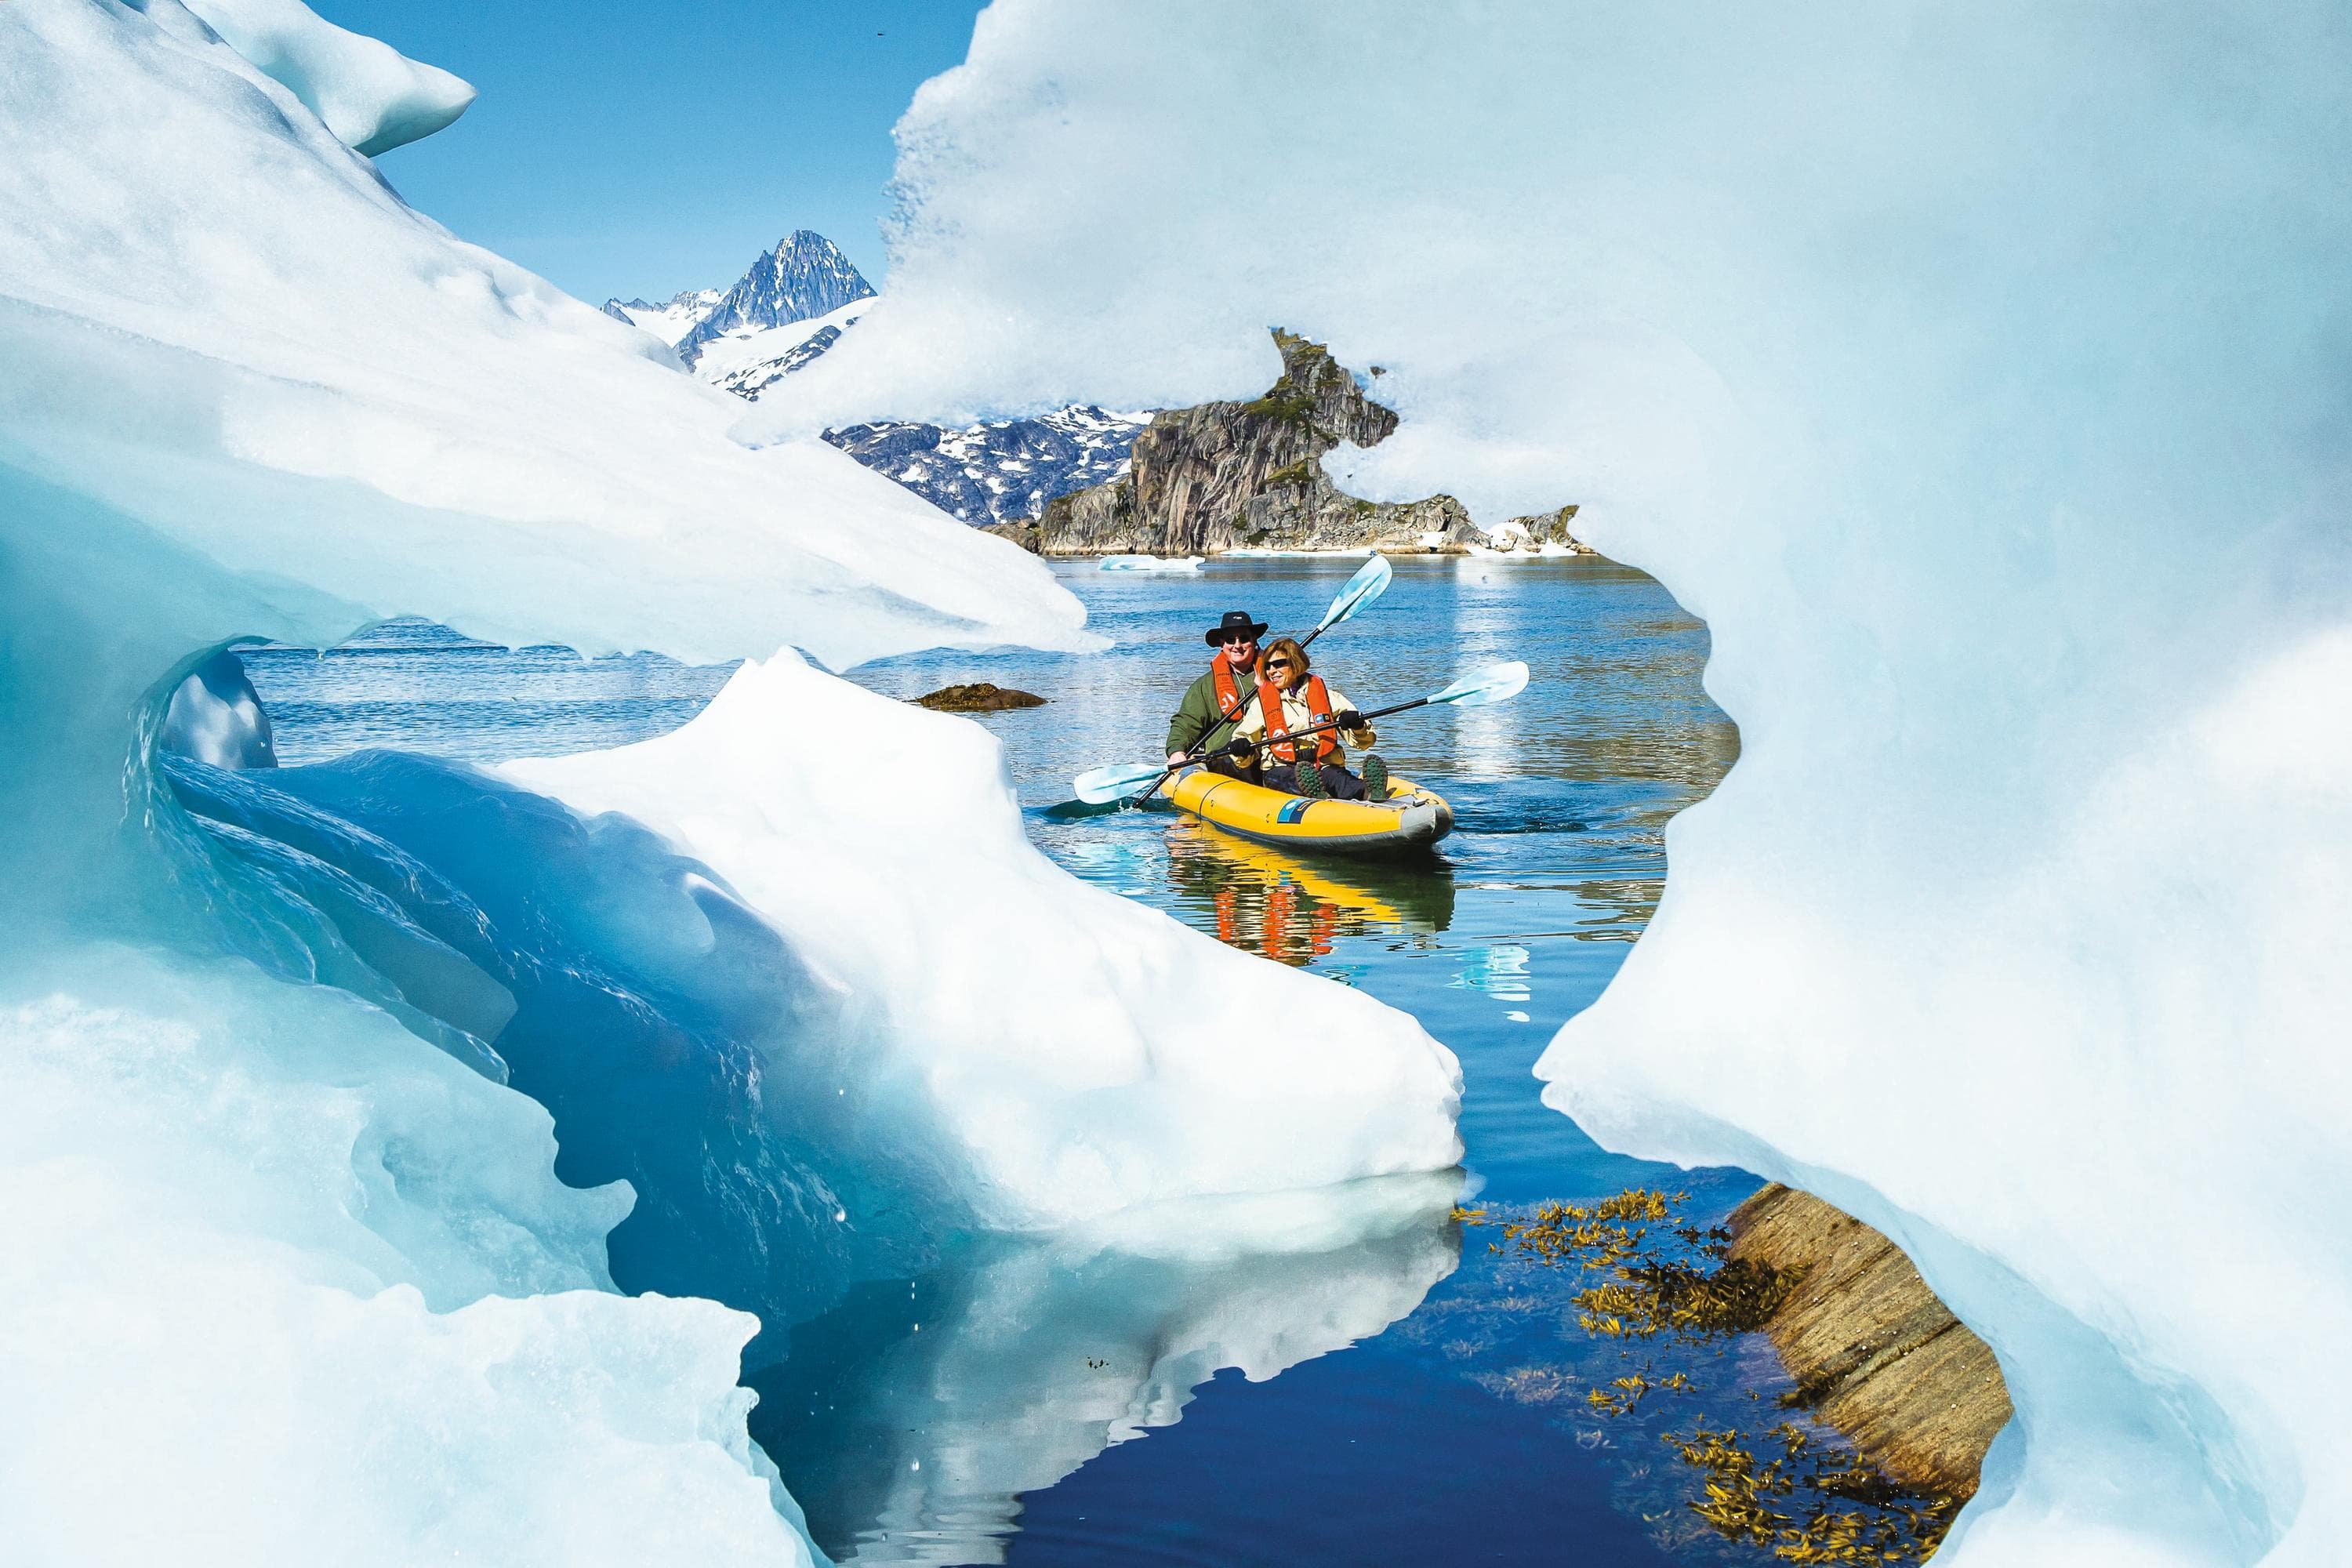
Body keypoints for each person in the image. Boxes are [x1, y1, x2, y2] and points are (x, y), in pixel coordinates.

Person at [1228, 637, 1388, 801]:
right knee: (1295, 779)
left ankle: (1369, 793)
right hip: (1280, 769)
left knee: (1337, 779)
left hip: (1323, 765)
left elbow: (1365, 742)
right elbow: (1243, 740)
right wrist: (1241, 748)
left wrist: (1357, 725)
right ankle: (1317, 797)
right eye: (1267, 666)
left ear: (1296, 663)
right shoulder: (1261, 704)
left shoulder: (1328, 697)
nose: (1271, 671)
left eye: (1279, 664)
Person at [1166, 609, 1269, 782]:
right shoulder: (1204, 686)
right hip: (1225, 757)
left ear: (1254, 641)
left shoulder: (1276, 675)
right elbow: (1185, 722)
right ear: (1222, 643)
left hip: (1268, 751)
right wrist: (1177, 751)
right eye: (1230, 640)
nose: (1237, 645)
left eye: (1244, 638)